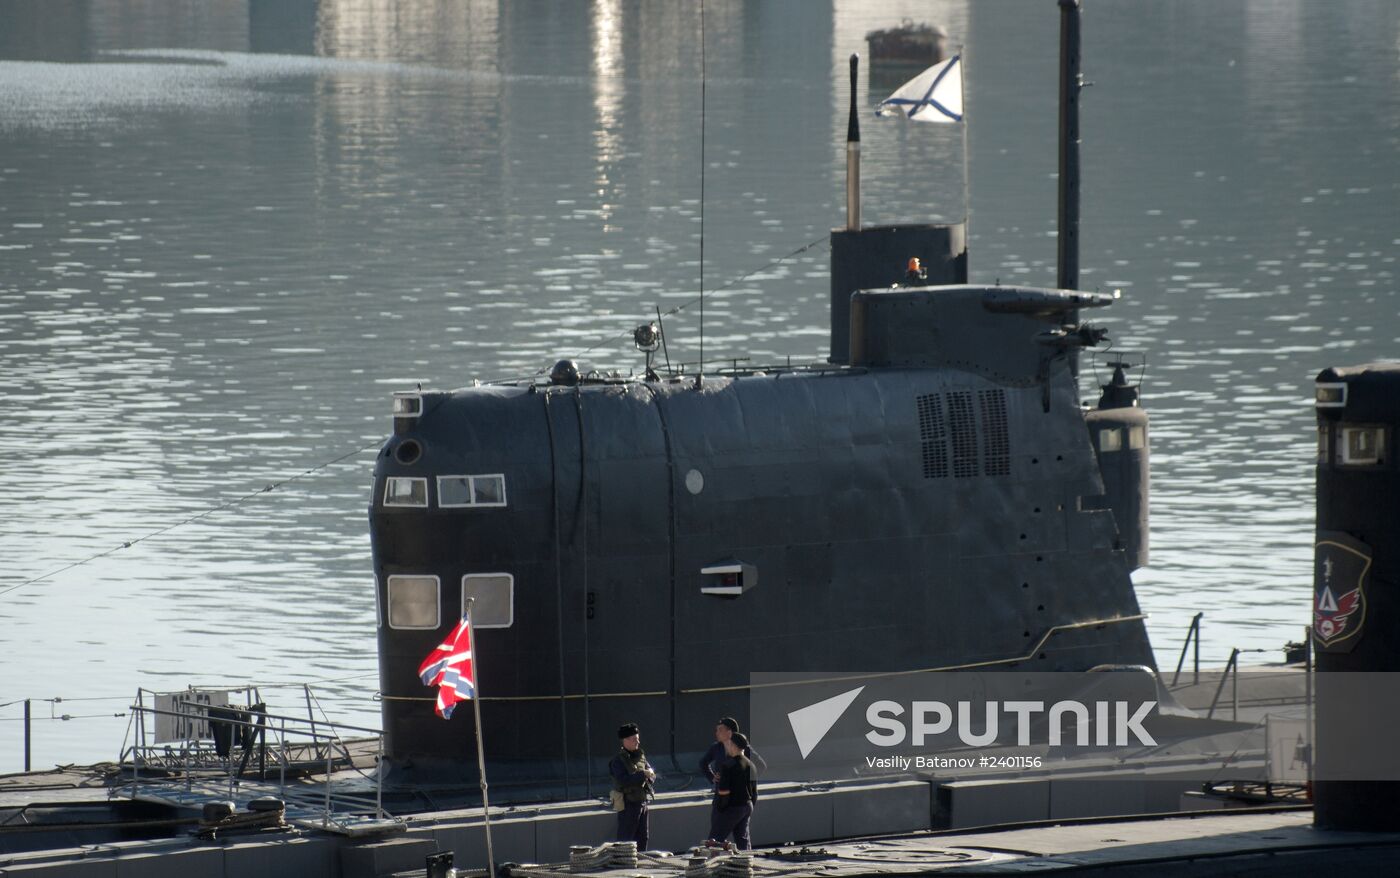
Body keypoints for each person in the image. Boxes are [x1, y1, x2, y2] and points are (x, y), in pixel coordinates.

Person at [608, 722, 655, 849]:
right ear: (625, 740)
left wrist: (650, 776)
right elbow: (623, 780)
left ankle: (641, 861)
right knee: (626, 838)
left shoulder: (641, 756)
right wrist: (643, 774)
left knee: (643, 836)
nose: (637, 742)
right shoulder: (618, 761)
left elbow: (650, 773)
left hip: (642, 802)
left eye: (638, 739)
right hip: (628, 804)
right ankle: (623, 862)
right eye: (634, 739)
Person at [708, 732, 757, 850]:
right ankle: (745, 864)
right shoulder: (751, 765)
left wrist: (720, 808)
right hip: (746, 806)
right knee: (742, 839)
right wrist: (750, 806)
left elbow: (724, 791)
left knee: (714, 840)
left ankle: (711, 865)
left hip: (732, 808)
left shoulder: (728, 766)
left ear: (733, 745)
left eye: (729, 743)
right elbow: (754, 792)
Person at [699, 717, 766, 784]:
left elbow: (761, 765)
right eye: (717, 730)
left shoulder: (742, 747)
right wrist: (712, 777)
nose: (717, 733)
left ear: (729, 732)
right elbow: (703, 763)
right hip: (722, 790)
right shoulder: (716, 747)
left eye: (720, 730)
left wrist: (747, 781)